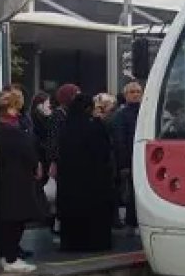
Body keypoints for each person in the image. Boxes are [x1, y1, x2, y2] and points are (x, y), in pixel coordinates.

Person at [56, 92, 115, 252]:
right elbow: (103, 152)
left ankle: (71, 243)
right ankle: (95, 243)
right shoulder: (95, 127)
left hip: (70, 179)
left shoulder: (65, 126)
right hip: (93, 180)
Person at [0, 89, 44, 273]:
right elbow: (28, 150)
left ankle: (5, 255)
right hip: (16, 180)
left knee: (7, 221)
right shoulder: (12, 130)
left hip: (6, 178)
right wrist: (36, 165)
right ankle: (10, 257)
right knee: (15, 221)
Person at [110, 80, 143, 230]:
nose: (136, 94)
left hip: (144, 158)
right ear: (126, 95)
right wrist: (124, 164)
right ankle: (131, 222)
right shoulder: (121, 115)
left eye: (138, 91)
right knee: (131, 193)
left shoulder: (146, 111)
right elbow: (119, 140)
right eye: (132, 92)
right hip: (129, 158)